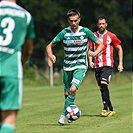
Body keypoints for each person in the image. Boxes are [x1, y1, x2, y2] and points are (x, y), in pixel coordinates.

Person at [46, 9, 104, 125]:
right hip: (67, 66)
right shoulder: (64, 33)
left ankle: (62, 116)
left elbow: (100, 44)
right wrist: (50, 54)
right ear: (68, 21)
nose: (74, 23)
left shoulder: (85, 31)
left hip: (81, 65)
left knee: (73, 89)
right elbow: (49, 46)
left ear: (79, 20)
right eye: (71, 21)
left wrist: (95, 53)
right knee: (67, 94)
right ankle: (72, 113)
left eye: (76, 20)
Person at [0, 0, 35, 132]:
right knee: (9, 118)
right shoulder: (25, 15)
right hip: (11, 70)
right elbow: (29, 50)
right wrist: (21, 61)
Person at [88, 16, 123, 117]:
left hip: (107, 64)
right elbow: (90, 49)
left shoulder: (111, 36)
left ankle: (105, 109)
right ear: (97, 24)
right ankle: (110, 108)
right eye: (99, 24)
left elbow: (119, 48)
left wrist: (120, 63)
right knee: (101, 88)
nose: (101, 25)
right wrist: (90, 61)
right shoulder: (93, 35)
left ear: (106, 24)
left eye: (103, 23)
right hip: (97, 65)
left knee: (104, 84)